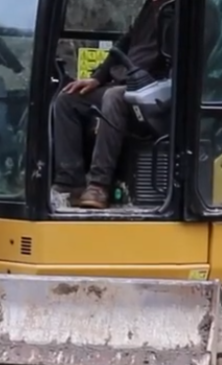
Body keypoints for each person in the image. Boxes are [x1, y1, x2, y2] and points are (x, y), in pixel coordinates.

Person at [51, 0, 172, 210]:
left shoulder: (187, 13)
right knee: (68, 99)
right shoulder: (150, 8)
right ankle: (70, 183)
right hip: (128, 84)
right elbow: (124, 44)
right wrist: (97, 78)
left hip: (159, 93)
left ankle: (99, 185)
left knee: (114, 98)